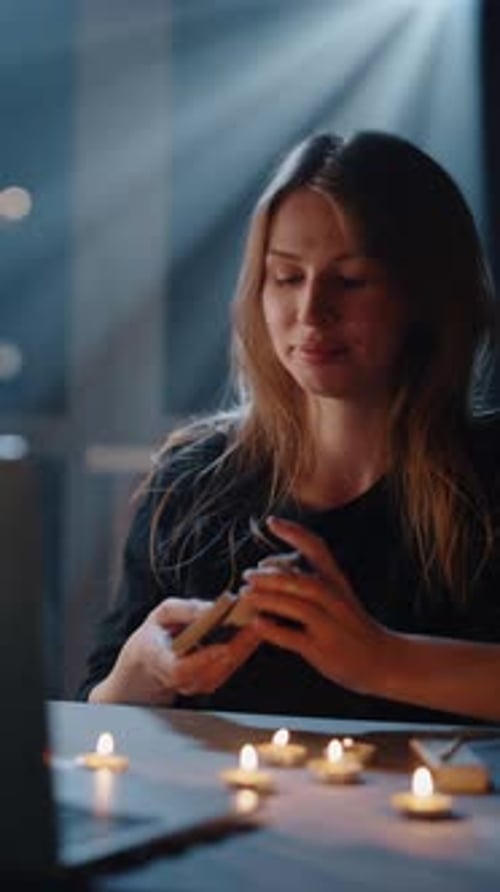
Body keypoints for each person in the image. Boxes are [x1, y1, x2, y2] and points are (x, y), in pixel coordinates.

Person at [78, 130, 500, 723]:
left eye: (351, 279)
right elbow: (95, 716)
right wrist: (140, 671)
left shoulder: (487, 479)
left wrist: (381, 660)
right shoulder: (191, 481)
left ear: (425, 294)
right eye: (286, 277)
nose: (311, 312)